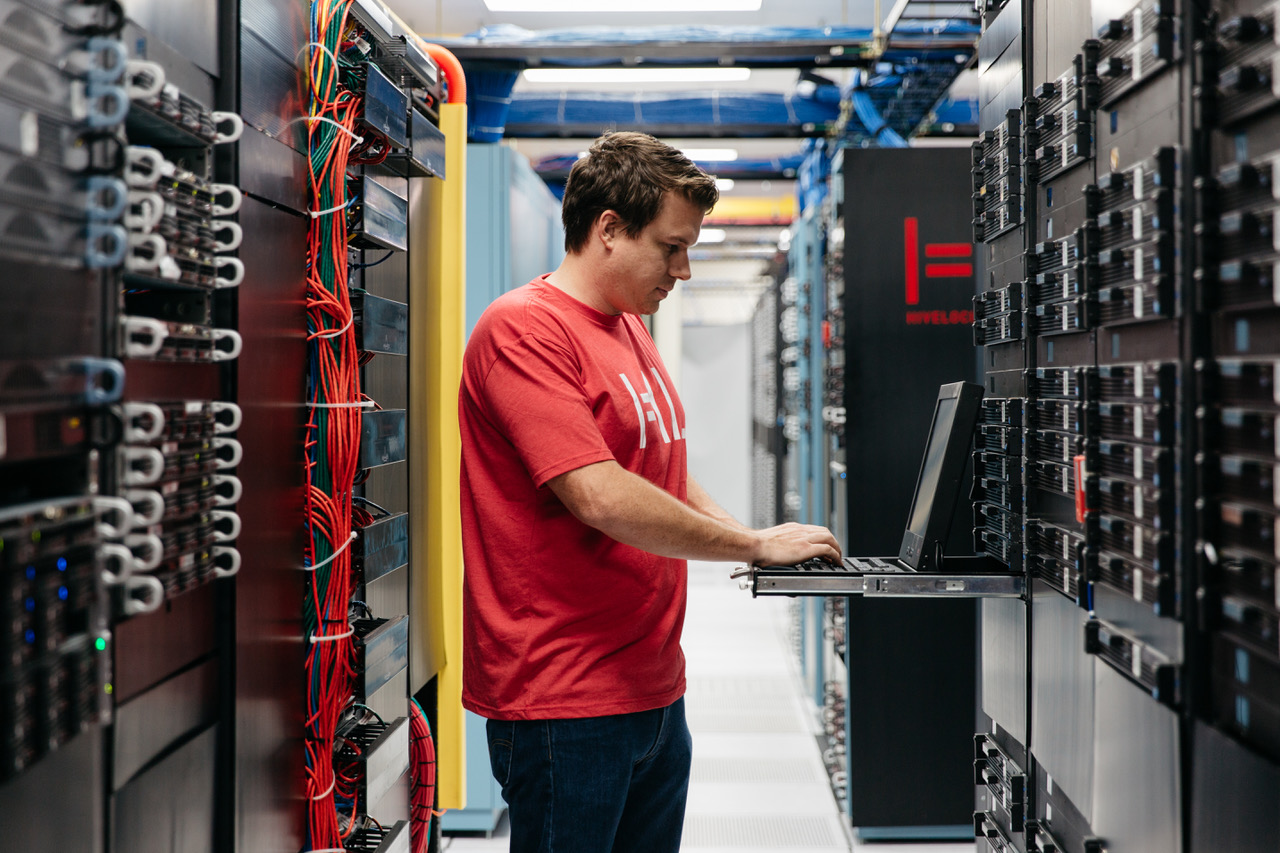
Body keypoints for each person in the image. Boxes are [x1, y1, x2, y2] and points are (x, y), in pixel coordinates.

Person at [458, 130, 841, 853]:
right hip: (564, 700)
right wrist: (753, 540)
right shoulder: (524, 330)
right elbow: (600, 495)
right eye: (671, 247)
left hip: (654, 688)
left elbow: (656, 463)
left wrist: (757, 545)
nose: (685, 269)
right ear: (608, 229)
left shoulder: (628, 326)